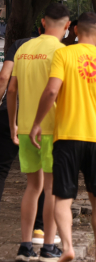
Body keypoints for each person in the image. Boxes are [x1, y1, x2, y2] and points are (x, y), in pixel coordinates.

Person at [29, 11, 96, 262]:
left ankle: (66, 248)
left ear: (75, 31)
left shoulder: (63, 54)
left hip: (66, 138)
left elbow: (52, 90)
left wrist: (36, 123)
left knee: (62, 197)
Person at [7, 3, 70, 262]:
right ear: (67, 27)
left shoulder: (23, 49)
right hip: (53, 129)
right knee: (52, 189)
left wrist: (13, 124)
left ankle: (24, 247)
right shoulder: (63, 52)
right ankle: (47, 248)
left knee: (32, 187)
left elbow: (11, 90)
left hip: (24, 128)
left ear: (43, 22)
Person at [0, 23, 61, 247]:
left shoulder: (18, 46)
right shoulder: (59, 49)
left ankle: (28, 241)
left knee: (6, 172)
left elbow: (5, 79)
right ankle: (41, 232)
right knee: (47, 181)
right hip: (45, 123)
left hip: (14, 116)